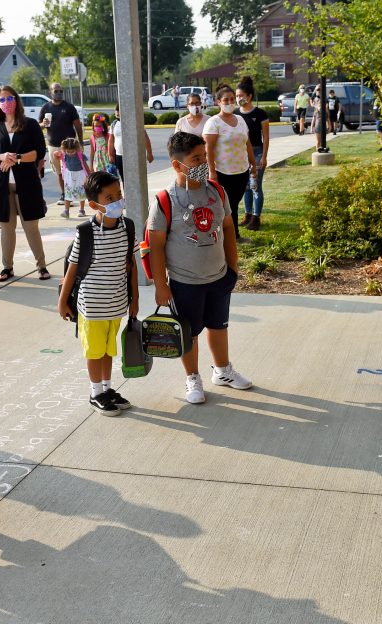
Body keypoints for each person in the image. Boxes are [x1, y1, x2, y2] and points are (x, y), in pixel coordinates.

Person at [147, 132, 252, 405]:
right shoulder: (164, 200)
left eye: (204, 156)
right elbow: (155, 245)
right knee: (189, 332)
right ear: (177, 165)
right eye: (196, 159)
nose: (203, 162)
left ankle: (223, 370)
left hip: (219, 276)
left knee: (219, 326)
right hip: (184, 282)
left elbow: (228, 228)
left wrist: (233, 267)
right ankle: (192, 377)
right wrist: (160, 284)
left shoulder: (216, 191)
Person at [57, 170, 139, 417]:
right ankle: (95, 393)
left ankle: (107, 389)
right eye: (109, 198)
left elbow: (131, 266)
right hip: (91, 306)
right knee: (94, 351)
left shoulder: (128, 228)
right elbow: (72, 270)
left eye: (119, 195)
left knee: (108, 350)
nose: (117, 201)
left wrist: (134, 300)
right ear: (94, 204)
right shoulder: (85, 232)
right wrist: (62, 302)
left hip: (117, 304)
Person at [0, 85, 50, 283]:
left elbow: (39, 152)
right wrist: (3, 156)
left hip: (27, 184)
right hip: (2, 186)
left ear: (16, 100)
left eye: (10, 98)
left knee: (31, 226)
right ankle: (7, 268)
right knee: (7, 228)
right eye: (2, 99)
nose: (6, 102)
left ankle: (41, 266)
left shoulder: (30, 124)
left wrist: (17, 157)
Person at [203, 83, 257, 241]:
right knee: (229, 205)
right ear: (218, 102)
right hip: (222, 172)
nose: (229, 102)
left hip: (241, 170)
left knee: (233, 204)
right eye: (225, 100)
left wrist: (253, 163)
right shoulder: (213, 122)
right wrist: (212, 172)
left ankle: (229, 235)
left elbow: (247, 143)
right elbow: (209, 149)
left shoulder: (240, 119)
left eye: (232, 99)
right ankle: (232, 237)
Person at [38, 82, 83, 206]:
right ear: (50, 92)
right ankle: (65, 194)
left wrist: (80, 142)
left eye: (60, 91)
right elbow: (39, 125)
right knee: (59, 172)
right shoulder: (46, 108)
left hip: (69, 146)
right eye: (56, 91)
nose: (59, 93)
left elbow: (77, 125)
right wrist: (43, 124)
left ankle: (73, 194)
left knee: (71, 170)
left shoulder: (69, 107)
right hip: (53, 145)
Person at [235, 76, 270, 231]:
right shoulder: (236, 114)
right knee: (245, 187)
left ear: (249, 96)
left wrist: (263, 156)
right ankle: (247, 214)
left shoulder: (260, 114)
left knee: (255, 185)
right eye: (236, 96)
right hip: (241, 155)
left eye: (241, 96)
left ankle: (256, 217)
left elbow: (266, 136)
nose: (238, 99)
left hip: (256, 152)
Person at [107, 103, 154, 182]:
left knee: (134, 179)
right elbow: (111, 140)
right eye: (116, 110)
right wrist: (110, 155)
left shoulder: (134, 122)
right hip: (119, 156)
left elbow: (145, 138)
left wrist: (149, 153)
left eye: (119, 110)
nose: (117, 112)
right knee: (124, 179)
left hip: (133, 156)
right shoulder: (114, 124)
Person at [57, 137, 91, 218]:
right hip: (69, 175)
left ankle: (82, 210)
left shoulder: (80, 155)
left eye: (72, 151)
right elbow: (56, 156)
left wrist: (89, 175)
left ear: (76, 148)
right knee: (68, 193)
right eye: (68, 151)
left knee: (81, 192)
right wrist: (57, 153)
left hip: (80, 174)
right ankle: (66, 211)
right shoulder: (64, 155)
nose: (70, 153)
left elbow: (85, 166)